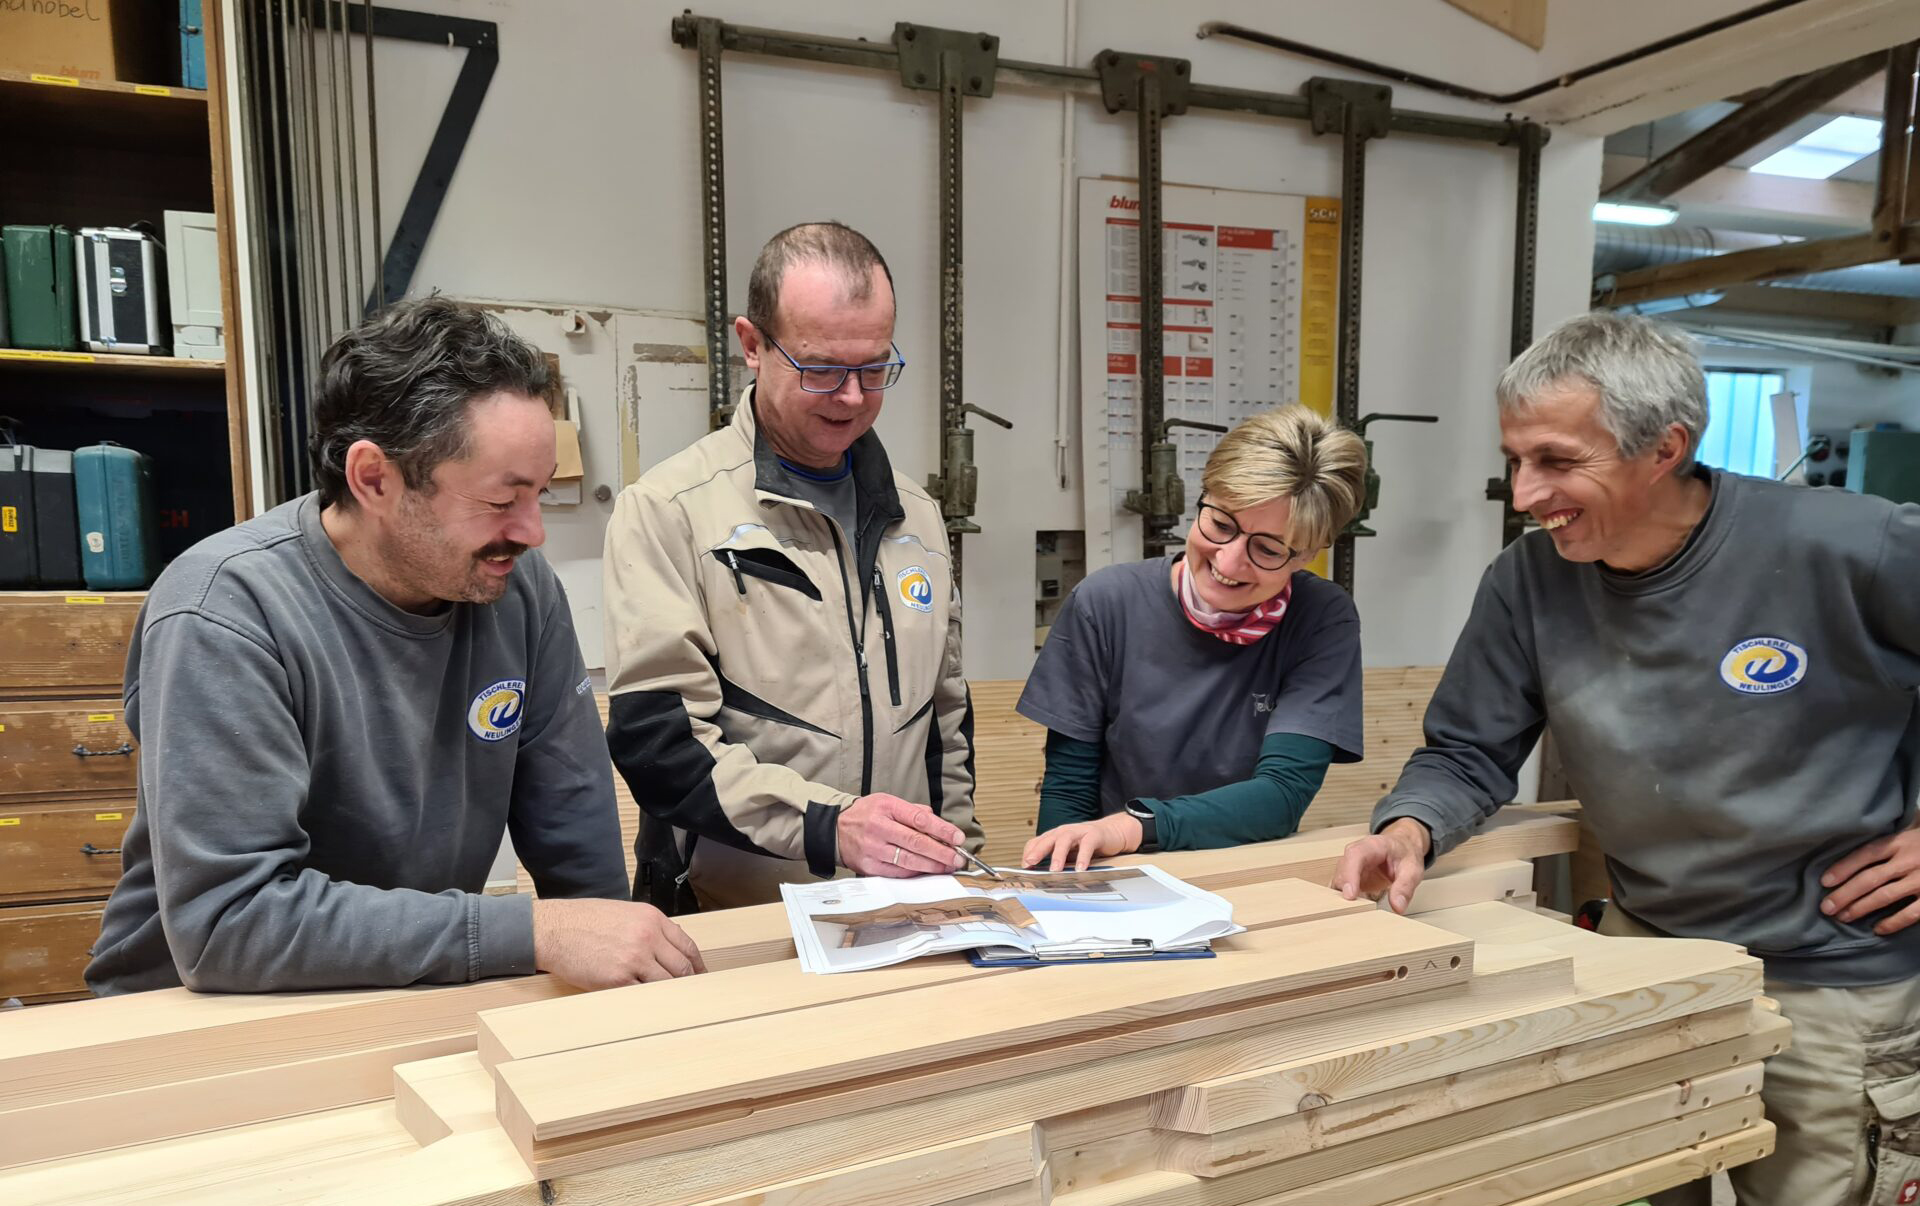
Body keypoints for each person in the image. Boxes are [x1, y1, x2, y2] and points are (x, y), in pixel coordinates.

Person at [1332, 311, 1920, 1206]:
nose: (1526, 493)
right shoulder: (1528, 584)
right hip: (1645, 960)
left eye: (1558, 462)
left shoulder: (1852, 546)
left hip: (1833, 980)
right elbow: (1467, 750)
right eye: (1518, 458)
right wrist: (1410, 828)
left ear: (1663, 448)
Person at [86, 297, 704, 995]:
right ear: (375, 478)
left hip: (405, 986)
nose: (534, 533)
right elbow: (231, 923)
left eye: (539, 494)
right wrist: (532, 931)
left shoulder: (519, 592)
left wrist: (617, 967)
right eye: (503, 501)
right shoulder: (225, 611)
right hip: (203, 1015)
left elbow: (575, 839)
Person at [603, 221, 983, 912]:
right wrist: (830, 828)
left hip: (904, 914)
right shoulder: (669, 511)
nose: (850, 397)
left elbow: (945, 728)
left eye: (874, 369)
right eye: (821, 369)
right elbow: (661, 748)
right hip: (737, 916)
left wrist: (959, 864)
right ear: (752, 345)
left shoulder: (918, 517)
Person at [1017, 405, 1369, 872]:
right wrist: (1054, 888)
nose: (1227, 562)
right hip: (1116, 874)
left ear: (1306, 555)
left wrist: (1131, 826)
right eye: (1220, 524)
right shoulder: (1105, 603)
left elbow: (1281, 795)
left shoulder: (1321, 618)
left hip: (1247, 873)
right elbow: (1068, 792)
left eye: (1266, 549)